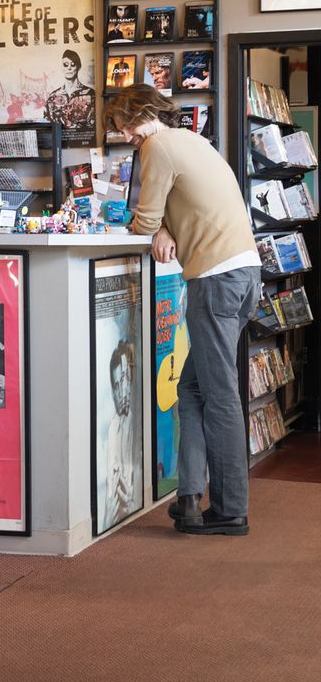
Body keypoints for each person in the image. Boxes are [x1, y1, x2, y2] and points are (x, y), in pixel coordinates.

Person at [102, 85, 261, 536]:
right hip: (243, 274)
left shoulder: (157, 145)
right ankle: (189, 498)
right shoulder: (192, 141)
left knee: (220, 396)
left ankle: (231, 510)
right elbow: (180, 206)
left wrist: (155, 228)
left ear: (141, 113)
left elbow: (145, 219)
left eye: (123, 125)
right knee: (192, 390)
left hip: (215, 280)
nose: (124, 136)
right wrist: (167, 227)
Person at [104, 340, 139, 530]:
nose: (122, 391)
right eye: (116, 385)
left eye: (125, 378)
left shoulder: (136, 420)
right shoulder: (113, 427)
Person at [44, 49, 96, 136]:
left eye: (73, 64)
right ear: (62, 68)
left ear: (78, 67)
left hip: (82, 141)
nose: (69, 68)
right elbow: (47, 124)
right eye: (65, 65)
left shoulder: (90, 93)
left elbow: (94, 122)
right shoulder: (53, 96)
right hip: (59, 144)